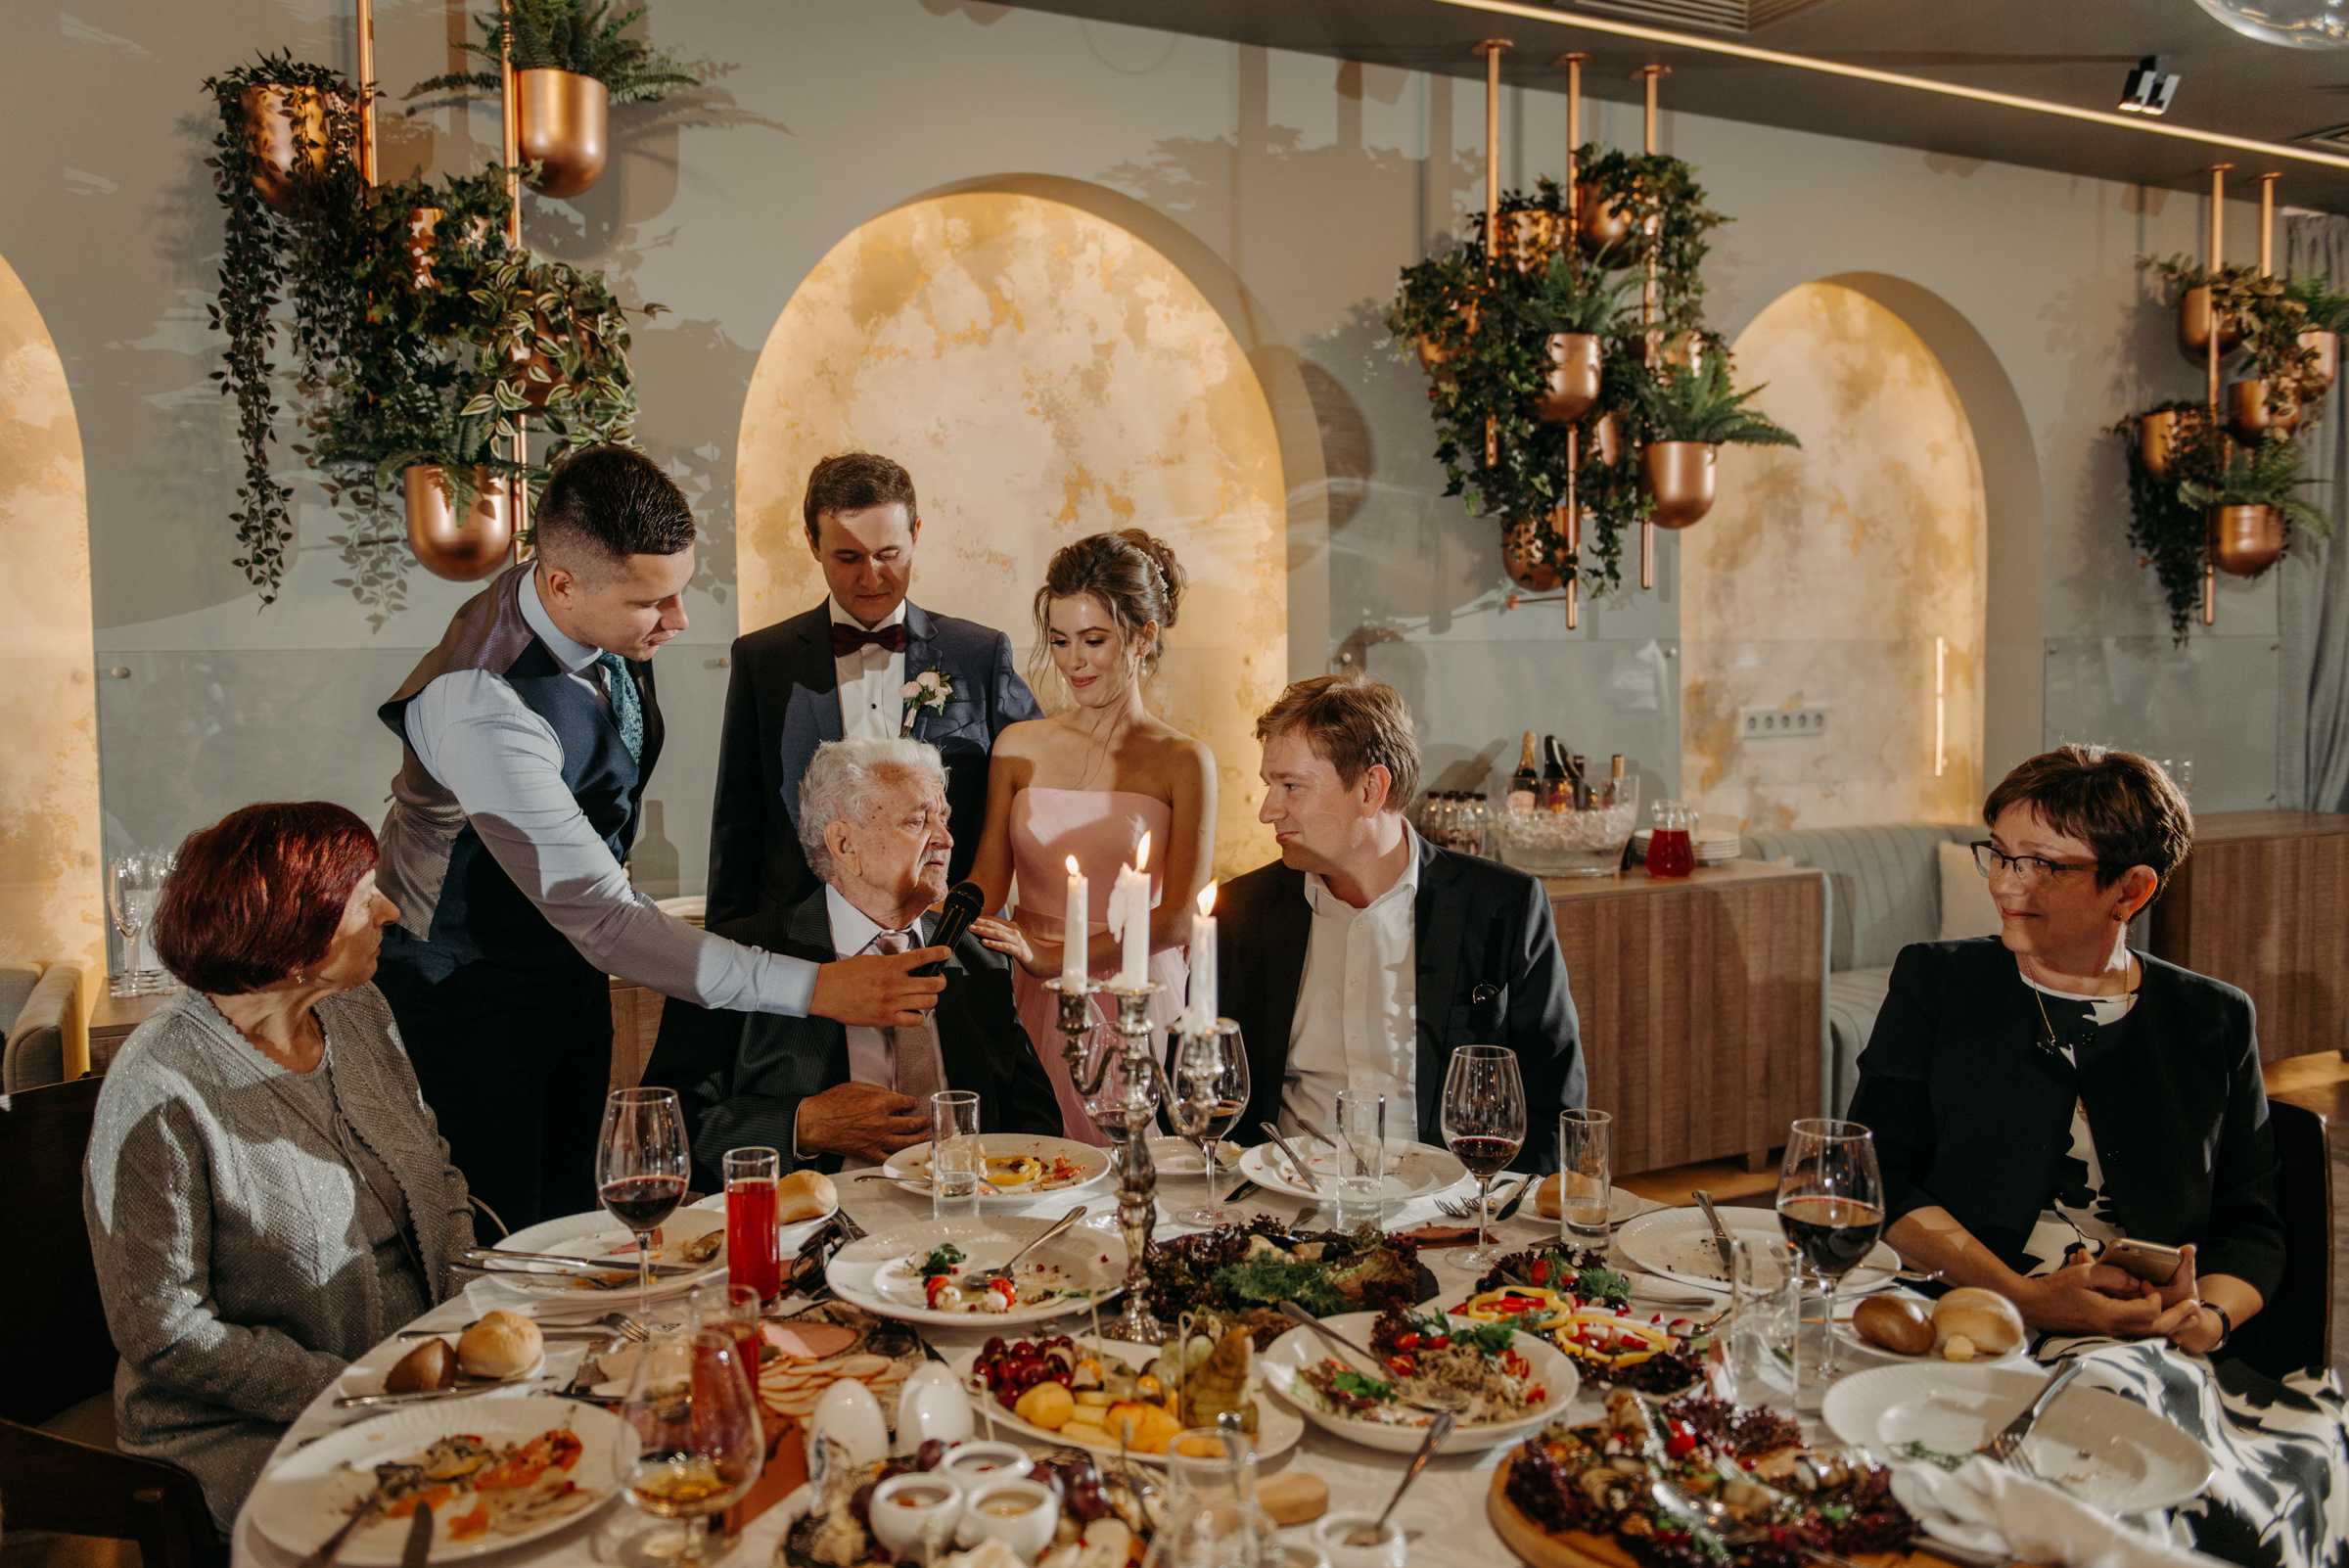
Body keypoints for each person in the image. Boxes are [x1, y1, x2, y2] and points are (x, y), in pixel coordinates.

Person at [371, 446, 942, 1231]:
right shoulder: (478, 703)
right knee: (504, 1227)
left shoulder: (598, 619)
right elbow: (604, 918)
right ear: (563, 583)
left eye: (678, 591)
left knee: (581, 1207)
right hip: (467, 991)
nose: (678, 622)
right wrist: (816, 989)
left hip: (566, 968)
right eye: (653, 604)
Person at [1848, 746, 2349, 1568]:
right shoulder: (1939, 983)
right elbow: (1883, 1179)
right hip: (1966, 1320)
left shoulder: (2211, 1020)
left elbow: (2252, 1227)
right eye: (2000, 855)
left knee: (2150, 1488)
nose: (2007, 883)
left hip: (2144, 1354)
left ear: (2134, 887)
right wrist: (2026, 1299)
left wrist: (2204, 1318)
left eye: (2043, 864)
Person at [82, 804, 473, 1529]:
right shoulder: (159, 1089)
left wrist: (462, 1317)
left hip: (414, 1385)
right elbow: (161, 1328)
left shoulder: (360, 1011)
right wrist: (356, 1385)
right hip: (249, 1430)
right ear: (296, 930)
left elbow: (438, 1171)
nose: (388, 910)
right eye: (364, 897)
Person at [1210, 672, 1585, 1171]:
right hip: (1280, 1207)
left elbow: (1552, 1108)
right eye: (1269, 785)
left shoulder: (1503, 906)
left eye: (1291, 786)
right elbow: (1204, 1099)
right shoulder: (1241, 911)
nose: (1266, 810)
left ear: (1371, 788)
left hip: (1447, 1210)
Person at [648, 738, 1063, 1179]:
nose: (946, 838)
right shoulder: (737, 957)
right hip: (814, 1231)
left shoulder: (979, 960)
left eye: (943, 818)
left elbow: (1037, 1125)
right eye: (917, 820)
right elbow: (663, 1135)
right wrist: (801, 1127)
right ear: (844, 844)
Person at [706, 451, 1042, 925]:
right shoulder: (764, 659)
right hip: (803, 940)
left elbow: (1037, 789)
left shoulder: (979, 654)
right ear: (812, 542)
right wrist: (727, 948)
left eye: (889, 554)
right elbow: (737, 821)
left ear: (916, 535)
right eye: (848, 557)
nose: (871, 576)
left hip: (951, 935)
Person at [966, 530, 1216, 1145]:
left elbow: (1182, 916)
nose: (1074, 661)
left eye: (1094, 640)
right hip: (1024, 982)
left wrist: (1058, 959)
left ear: (1143, 637)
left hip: (1131, 989)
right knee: (1027, 1162)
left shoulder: (1184, 760)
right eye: (1059, 640)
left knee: (1125, 1174)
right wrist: (912, 913)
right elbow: (984, 884)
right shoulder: (1019, 746)